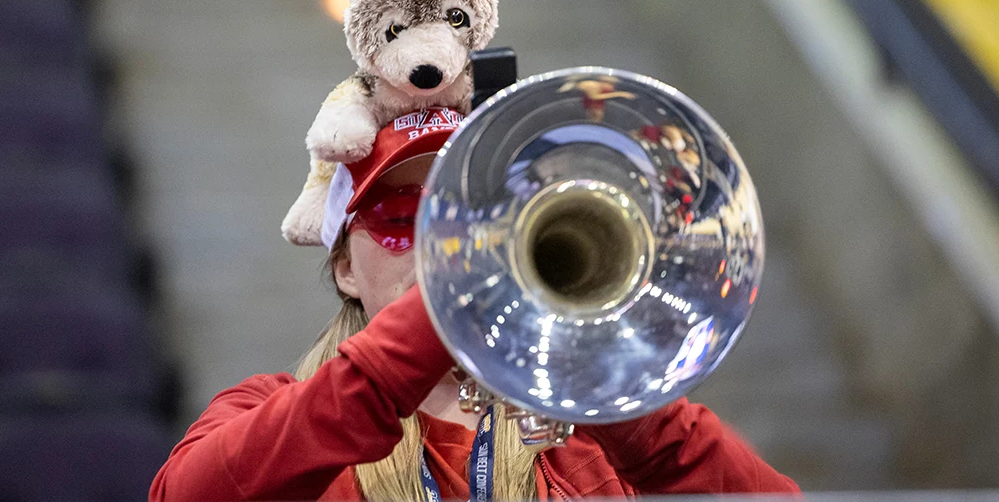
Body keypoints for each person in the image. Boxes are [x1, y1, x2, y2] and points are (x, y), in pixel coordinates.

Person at [150, 107, 799, 501]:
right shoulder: (262, 412)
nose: (443, 249)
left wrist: (614, 397)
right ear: (346, 267)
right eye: (407, 219)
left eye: (466, 220)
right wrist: (436, 314)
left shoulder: (585, 442)